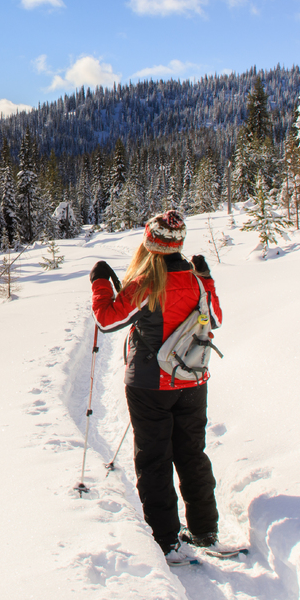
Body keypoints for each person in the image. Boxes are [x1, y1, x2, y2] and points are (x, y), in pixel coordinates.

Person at [88, 209, 223, 563]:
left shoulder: (145, 284)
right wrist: (206, 278)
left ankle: (165, 541)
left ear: (150, 242)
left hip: (150, 385)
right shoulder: (195, 281)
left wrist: (100, 282)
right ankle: (205, 530)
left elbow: (106, 319)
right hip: (192, 379)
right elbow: (216, 319)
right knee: (192, 453)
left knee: (154, 460)